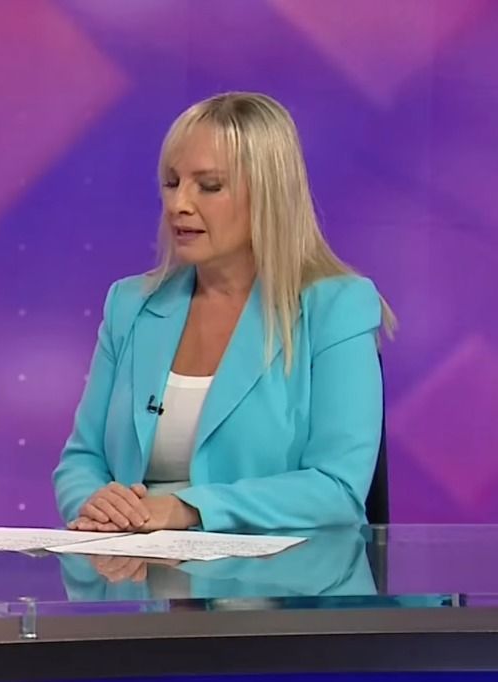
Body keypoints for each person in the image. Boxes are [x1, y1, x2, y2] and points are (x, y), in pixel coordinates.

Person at [52, 92, 395, 533]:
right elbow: (83, 460)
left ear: (269, 195)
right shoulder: (130, 304)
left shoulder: (337, 307)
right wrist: (97, 502)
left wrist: (187, 509)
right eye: (172, 182)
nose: (179, 204)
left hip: (283, 572)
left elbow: (337, 488)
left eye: (209, 186)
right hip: (134, 566)